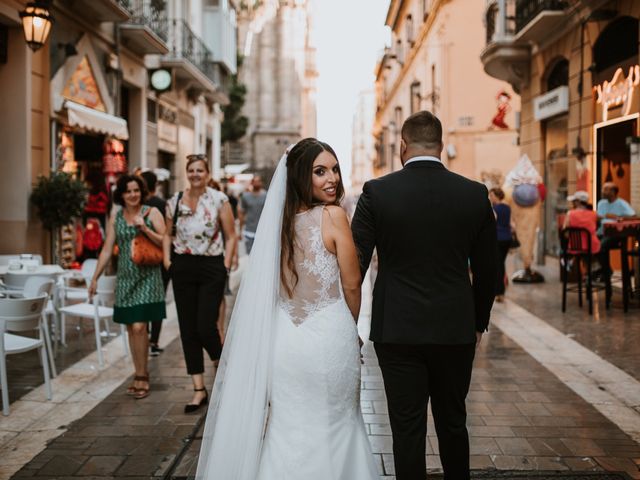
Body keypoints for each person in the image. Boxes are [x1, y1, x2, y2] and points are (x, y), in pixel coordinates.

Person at [194, 139, 379, 479]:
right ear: (298, 176)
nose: (332, 179)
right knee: (336, 424)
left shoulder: (274, 227)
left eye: (334, 169)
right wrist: (350, 329)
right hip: (329, 338)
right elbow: (352, 284)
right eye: (320, 171)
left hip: (285, 341)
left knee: (286, 428)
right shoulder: (334, 216)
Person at [351, 111, 497, 480]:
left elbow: (354, 265)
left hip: (396, 328)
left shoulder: (376, 192)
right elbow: (488, 271)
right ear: (442, 146)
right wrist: (478, 323)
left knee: (406, 428)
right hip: (455, 328)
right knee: (453, 421)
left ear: (402, 146)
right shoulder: (474, 194)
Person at [163, 154, 237, 413]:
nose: (195, 174)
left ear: (206, 173)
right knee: (188, 329)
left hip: (211, 266)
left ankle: (224, 366)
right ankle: (198, 389)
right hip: (182, 266)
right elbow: (166, 233)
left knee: (206, 326)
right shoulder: (174, 201)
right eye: (191, 170)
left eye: (200, 170)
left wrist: (225, 265)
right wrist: (166, 261)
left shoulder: (219, 200)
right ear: (187, 172)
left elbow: (231, 235)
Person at [88, 174, 166, 400]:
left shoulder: (152, 213)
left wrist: (146, 229)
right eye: (128, 191)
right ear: (121, 194)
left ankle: (142, 375)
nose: (133, 195)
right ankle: (139, 372)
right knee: (132, 328)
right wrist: (95, 278)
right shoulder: (117, 217)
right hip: (125, 279)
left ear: (142, 192)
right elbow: (106, 250)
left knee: (141, 327)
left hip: (148, 276)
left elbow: (166, 241)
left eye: (136, 191)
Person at [140, 170, 169, 356]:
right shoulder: (162, 204)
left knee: (145, 298)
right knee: (158, 299)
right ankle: (154, 340)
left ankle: (146, 335)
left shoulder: (139, 206)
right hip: (159, 259)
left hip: (141, 258)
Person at [596, 182, 636, 280]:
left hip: (615, 234)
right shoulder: (601, 203)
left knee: (600, 246)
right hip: (601, 232)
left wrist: (616, 217)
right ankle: (606, 270)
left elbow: (634, 217)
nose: (602, 192)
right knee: (591, 245)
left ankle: (605, 272)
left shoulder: (622, 203)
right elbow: (598, 218)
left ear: (613, 192)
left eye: (605, 189)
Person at [489, 187, 512, 302]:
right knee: (501, 263)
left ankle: (499, 292)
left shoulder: (494, 209)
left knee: (498, 265)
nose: (490, 198)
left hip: (498, 238)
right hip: (507, 238)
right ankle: (500, 290)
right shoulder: (507, 208)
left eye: (492, 196)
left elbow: (491, 224)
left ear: (497, 196)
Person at [238, 175, 267, 254]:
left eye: (258, 181)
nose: (257, 183)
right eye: (255, 181)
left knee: (261, 255)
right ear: (252, 183)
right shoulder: (245, 196)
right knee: (251, 254)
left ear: (261, 183)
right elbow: (241, 213)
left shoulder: (266, 195)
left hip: (263, 231)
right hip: (249, 230)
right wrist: (239, 231)